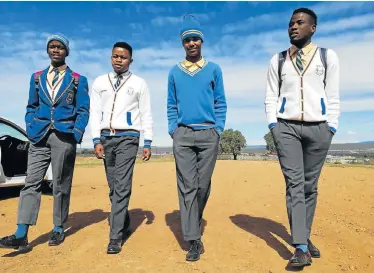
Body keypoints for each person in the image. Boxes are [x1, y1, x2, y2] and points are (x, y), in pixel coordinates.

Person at [264, 8, 340, 267]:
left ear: (313, 28)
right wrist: (274, 125)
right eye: (290, 23)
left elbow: (333, 96)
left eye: (300, 22)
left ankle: (303, 237)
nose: (293, 27)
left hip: (320, 129)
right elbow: (270, 96)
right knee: (295, 184)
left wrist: (331, 127)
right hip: (286, 128)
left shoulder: (327, 57)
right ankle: (300, 247)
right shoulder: (278, 60)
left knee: (310, 186)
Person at [0, 34, 90, 251]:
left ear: (66, 52)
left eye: (60, 47)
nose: (55, 50)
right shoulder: (37, 77)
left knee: (60, 183)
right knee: (31, 182)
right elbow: (31, 105)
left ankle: (58, 227)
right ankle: (21, 232)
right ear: (47, 50)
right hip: (39, 136)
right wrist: (30, 127)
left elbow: (83, 110)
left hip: (64, 136)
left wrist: (75, 133)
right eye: (52, 47)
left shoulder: (77, 79)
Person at [167, 15, 227, 262]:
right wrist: (174, 129)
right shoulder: (174, 71)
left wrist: (218, 129)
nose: (191, 43)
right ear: (183, 44)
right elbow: (171, 104)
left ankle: (194, 217)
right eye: (187, 40)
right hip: (183, 135)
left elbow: (220, 102)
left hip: (208, 133)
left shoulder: (214, 69)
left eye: (195, 39)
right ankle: (193, 238)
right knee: (186, 186)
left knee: (202, 185)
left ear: (201, 41)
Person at [90, 41, 153, 254]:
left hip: (128, 138)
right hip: (106, 138)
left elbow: (146, 113)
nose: (119, 59)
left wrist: (148, 141)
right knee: (113, 187)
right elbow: (94, 112)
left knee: (122, 186)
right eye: (115, 56)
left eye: (123, 57)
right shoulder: (100, 81)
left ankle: (115, 237)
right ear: (111, 57)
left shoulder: (139, 83)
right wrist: (95, 140)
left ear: (130, 60)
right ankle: (123, 219)